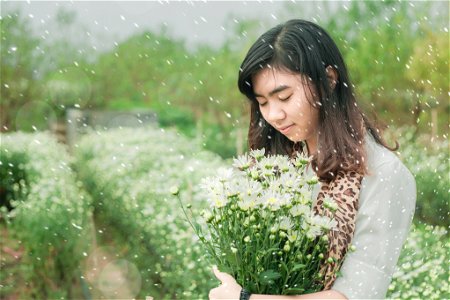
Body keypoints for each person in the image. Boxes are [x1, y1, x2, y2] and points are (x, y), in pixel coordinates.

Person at [209, 19, 416, 300]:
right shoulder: (273, 168)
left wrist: (244, 299)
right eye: (263, 102)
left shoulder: (382, 174)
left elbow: (355, 295)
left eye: (284, 96)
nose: (274, 115)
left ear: (329, 80)